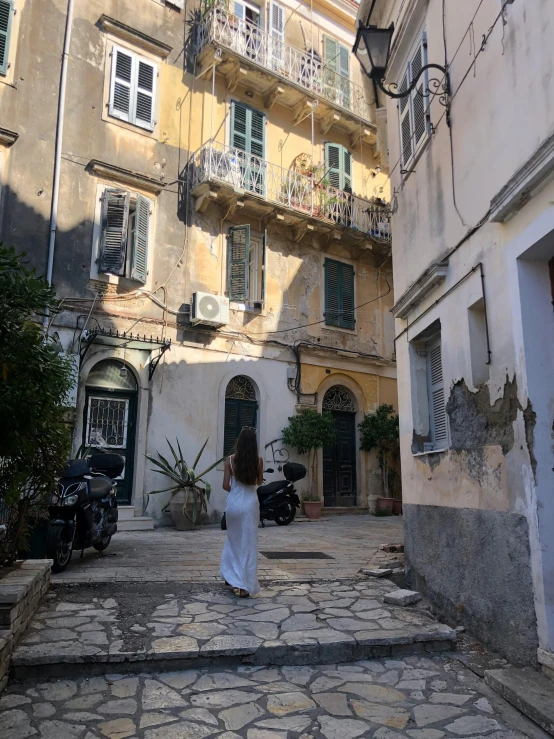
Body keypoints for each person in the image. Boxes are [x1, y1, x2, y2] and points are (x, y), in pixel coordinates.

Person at [220, 427, 263, 598]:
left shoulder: (229, 460)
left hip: (233, 504)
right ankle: (245, 586)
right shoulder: (258, 461)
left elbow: (225, 485)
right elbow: (258, 482)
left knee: (233, 540)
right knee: (248, 543)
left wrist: (235, 491)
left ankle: (232, 577)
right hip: (250, 504)